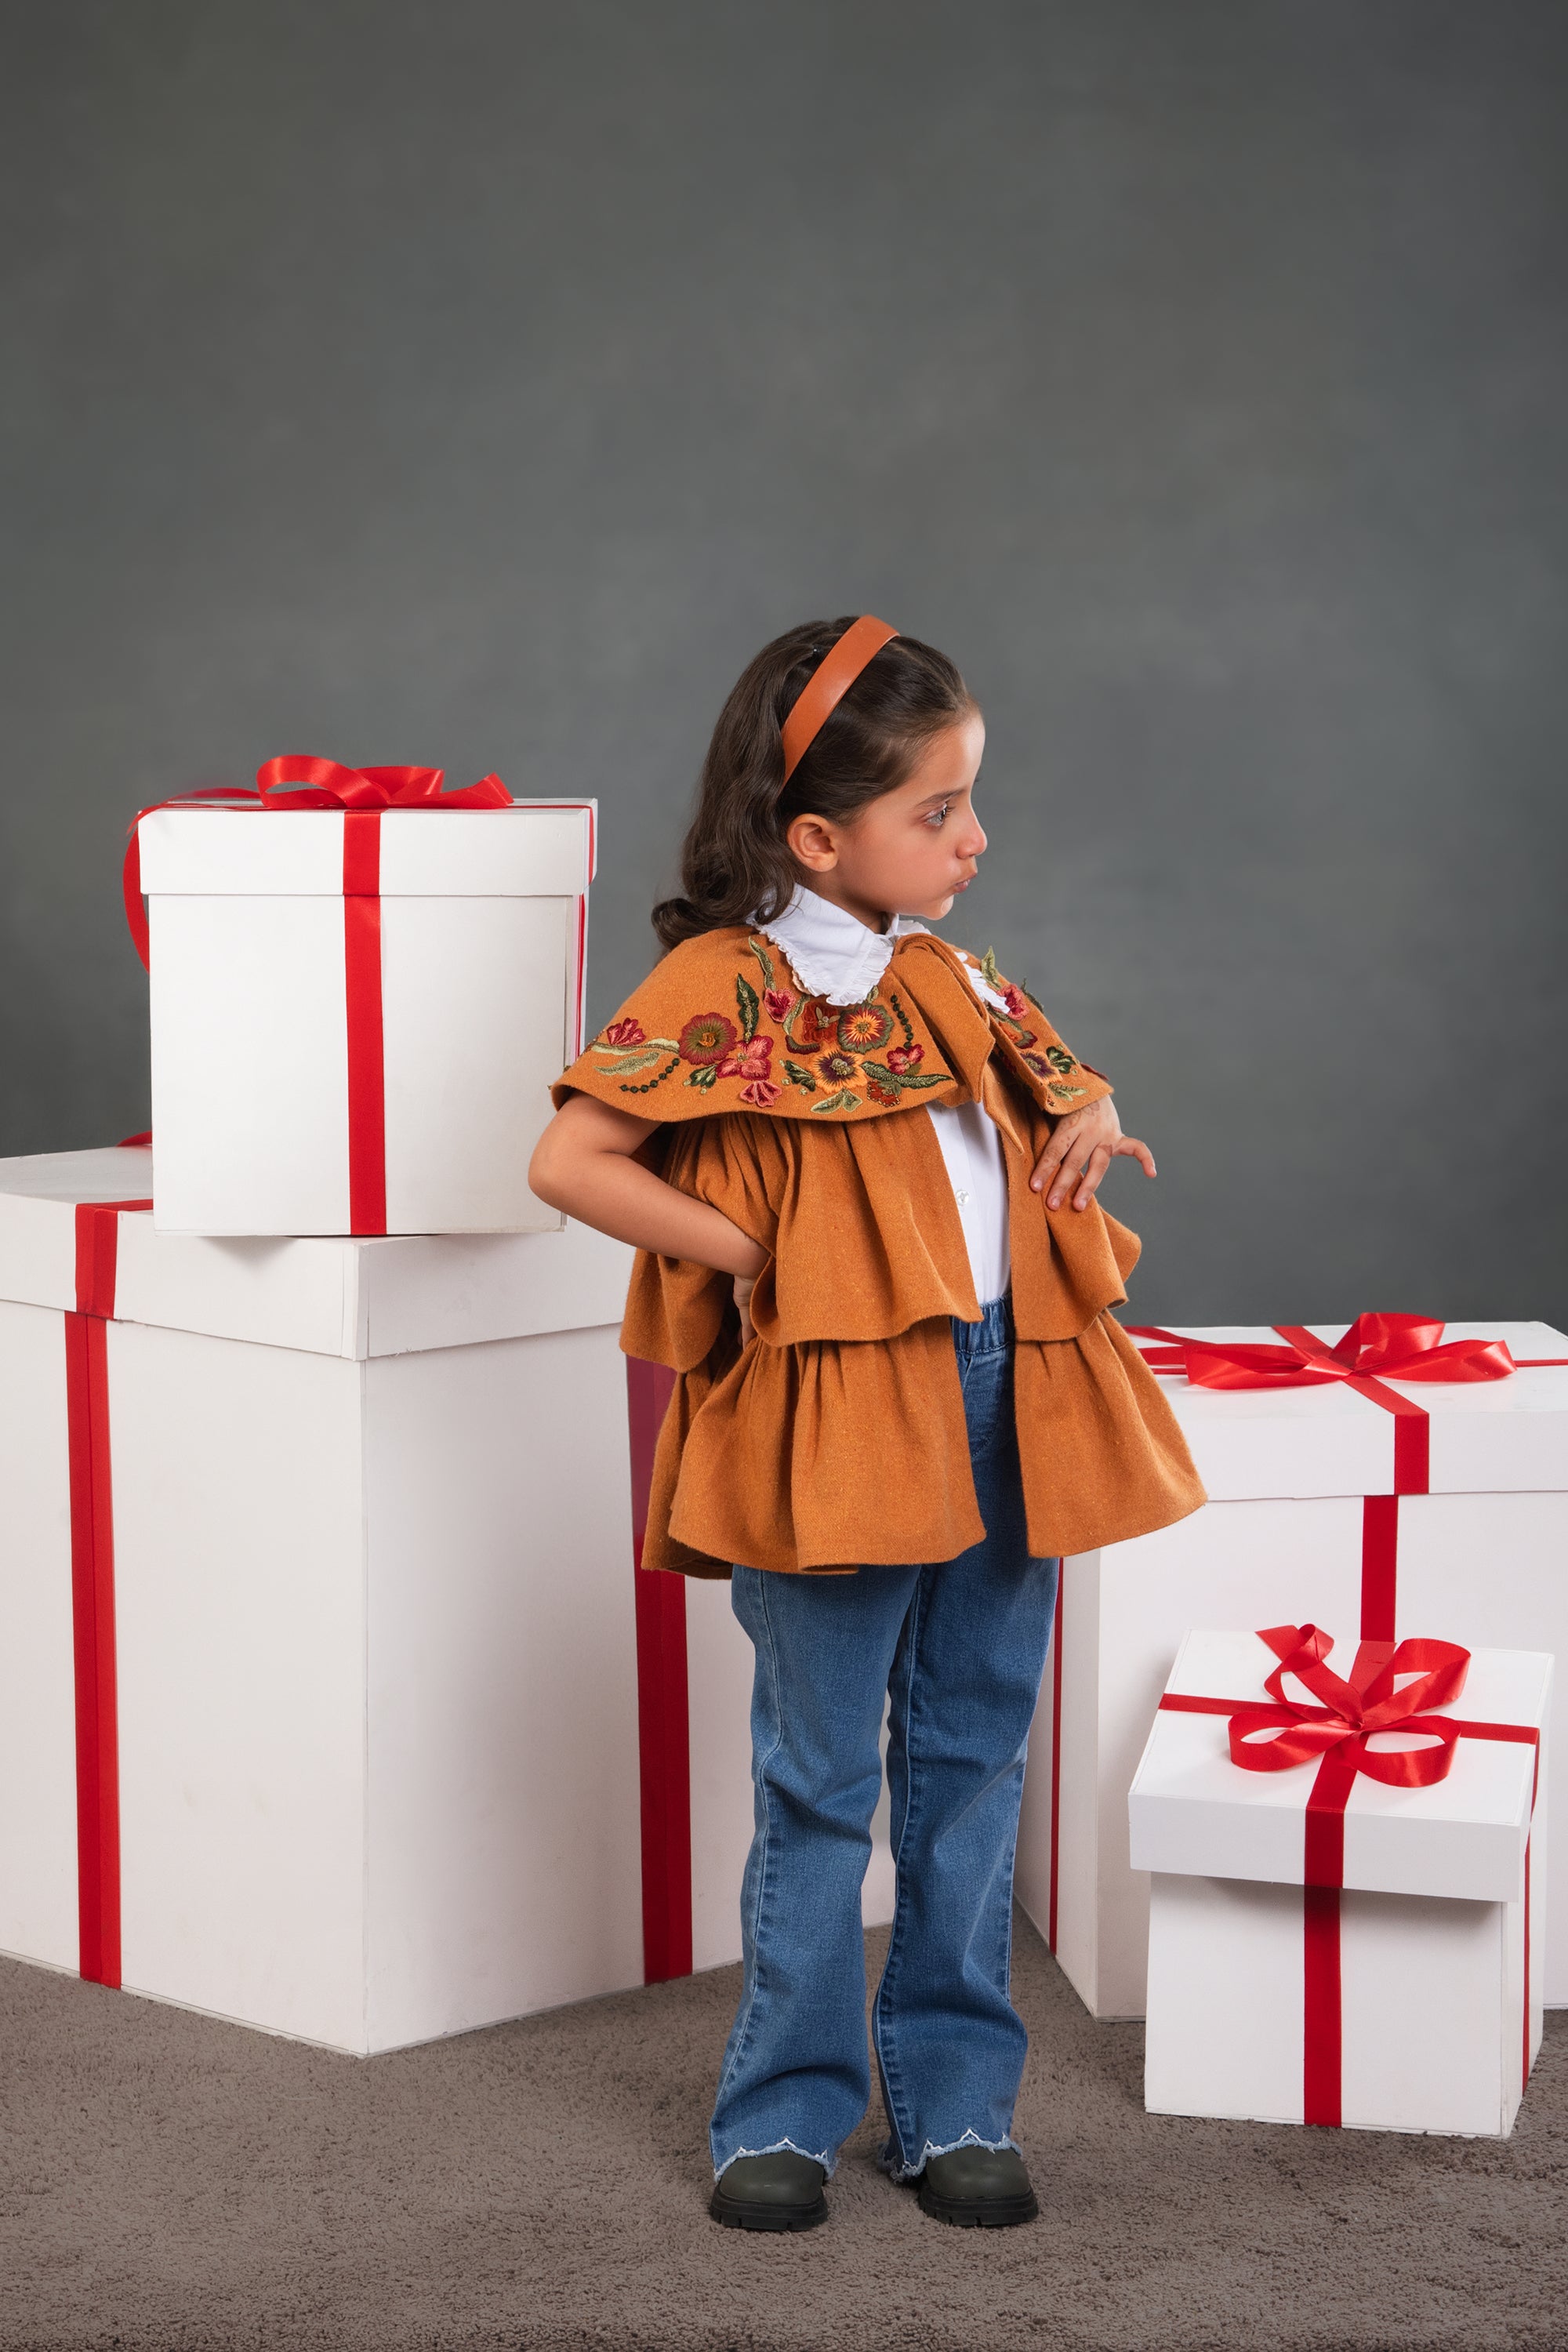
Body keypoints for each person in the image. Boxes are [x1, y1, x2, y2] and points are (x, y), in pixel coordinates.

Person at [529, 615, 1205, 2233]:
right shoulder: (724, 987)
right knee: (824, 1770)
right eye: (939, 811)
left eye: (973, 802)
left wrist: (1092, 1111)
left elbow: (1062, 1088)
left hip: (1000, 1388)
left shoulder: (949, 978)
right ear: (818, 837)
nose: (974, 839)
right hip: (833, 1409)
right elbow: (572, 1163)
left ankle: (958, 2100)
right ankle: (780, 2108)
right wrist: (762, 1254)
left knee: (976, 1761)